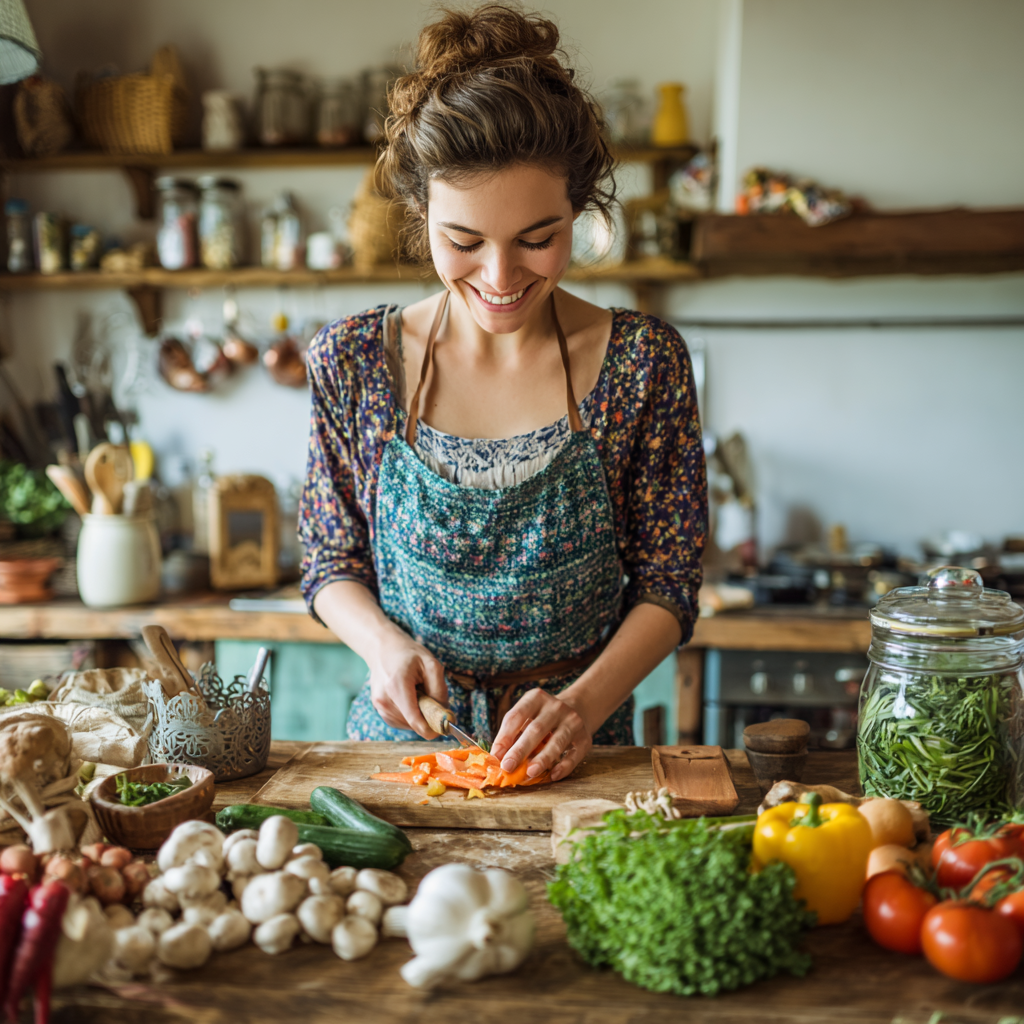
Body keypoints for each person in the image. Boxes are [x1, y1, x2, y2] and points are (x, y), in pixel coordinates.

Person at [299, 3, 706, 784]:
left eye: (537, 239)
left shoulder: (643, 364)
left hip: (584, 756)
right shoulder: (354, 361)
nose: (499, 278)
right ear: (421, 217)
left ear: (579, 214)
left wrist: (580, 707)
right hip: (403, 763)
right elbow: (329, 558)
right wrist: (384, 648)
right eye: (463, 243)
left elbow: (668, 582)